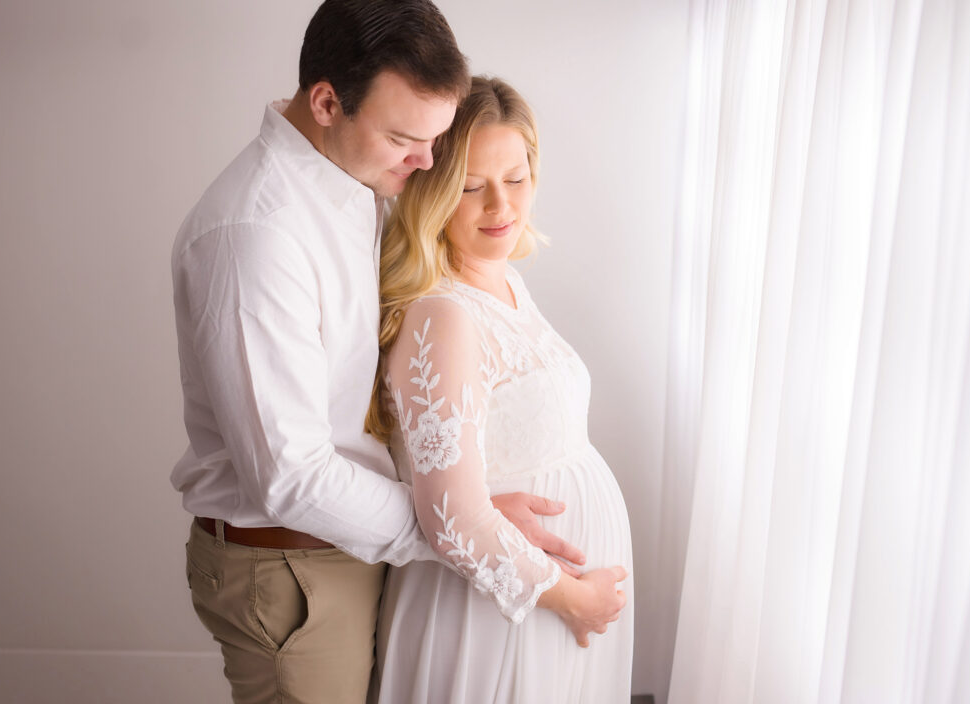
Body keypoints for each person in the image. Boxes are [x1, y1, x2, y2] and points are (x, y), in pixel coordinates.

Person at [171, 3, 585, 702]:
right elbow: (290, 477)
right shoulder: (257, 237)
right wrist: (455, 527)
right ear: (327, 102)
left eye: (434, 139)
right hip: (292, 570)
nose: (426, 164)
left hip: (350, 547)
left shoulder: (353, 178)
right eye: (404, 138)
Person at [367, 76, 634, 703]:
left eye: (515, 179)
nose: (501, 207)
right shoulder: (443, 314)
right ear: (433, 191)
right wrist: (573, 599)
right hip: (497, 612)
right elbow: (451, 516)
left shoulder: (505, 281)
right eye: (471, 187)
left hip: (542, 606)